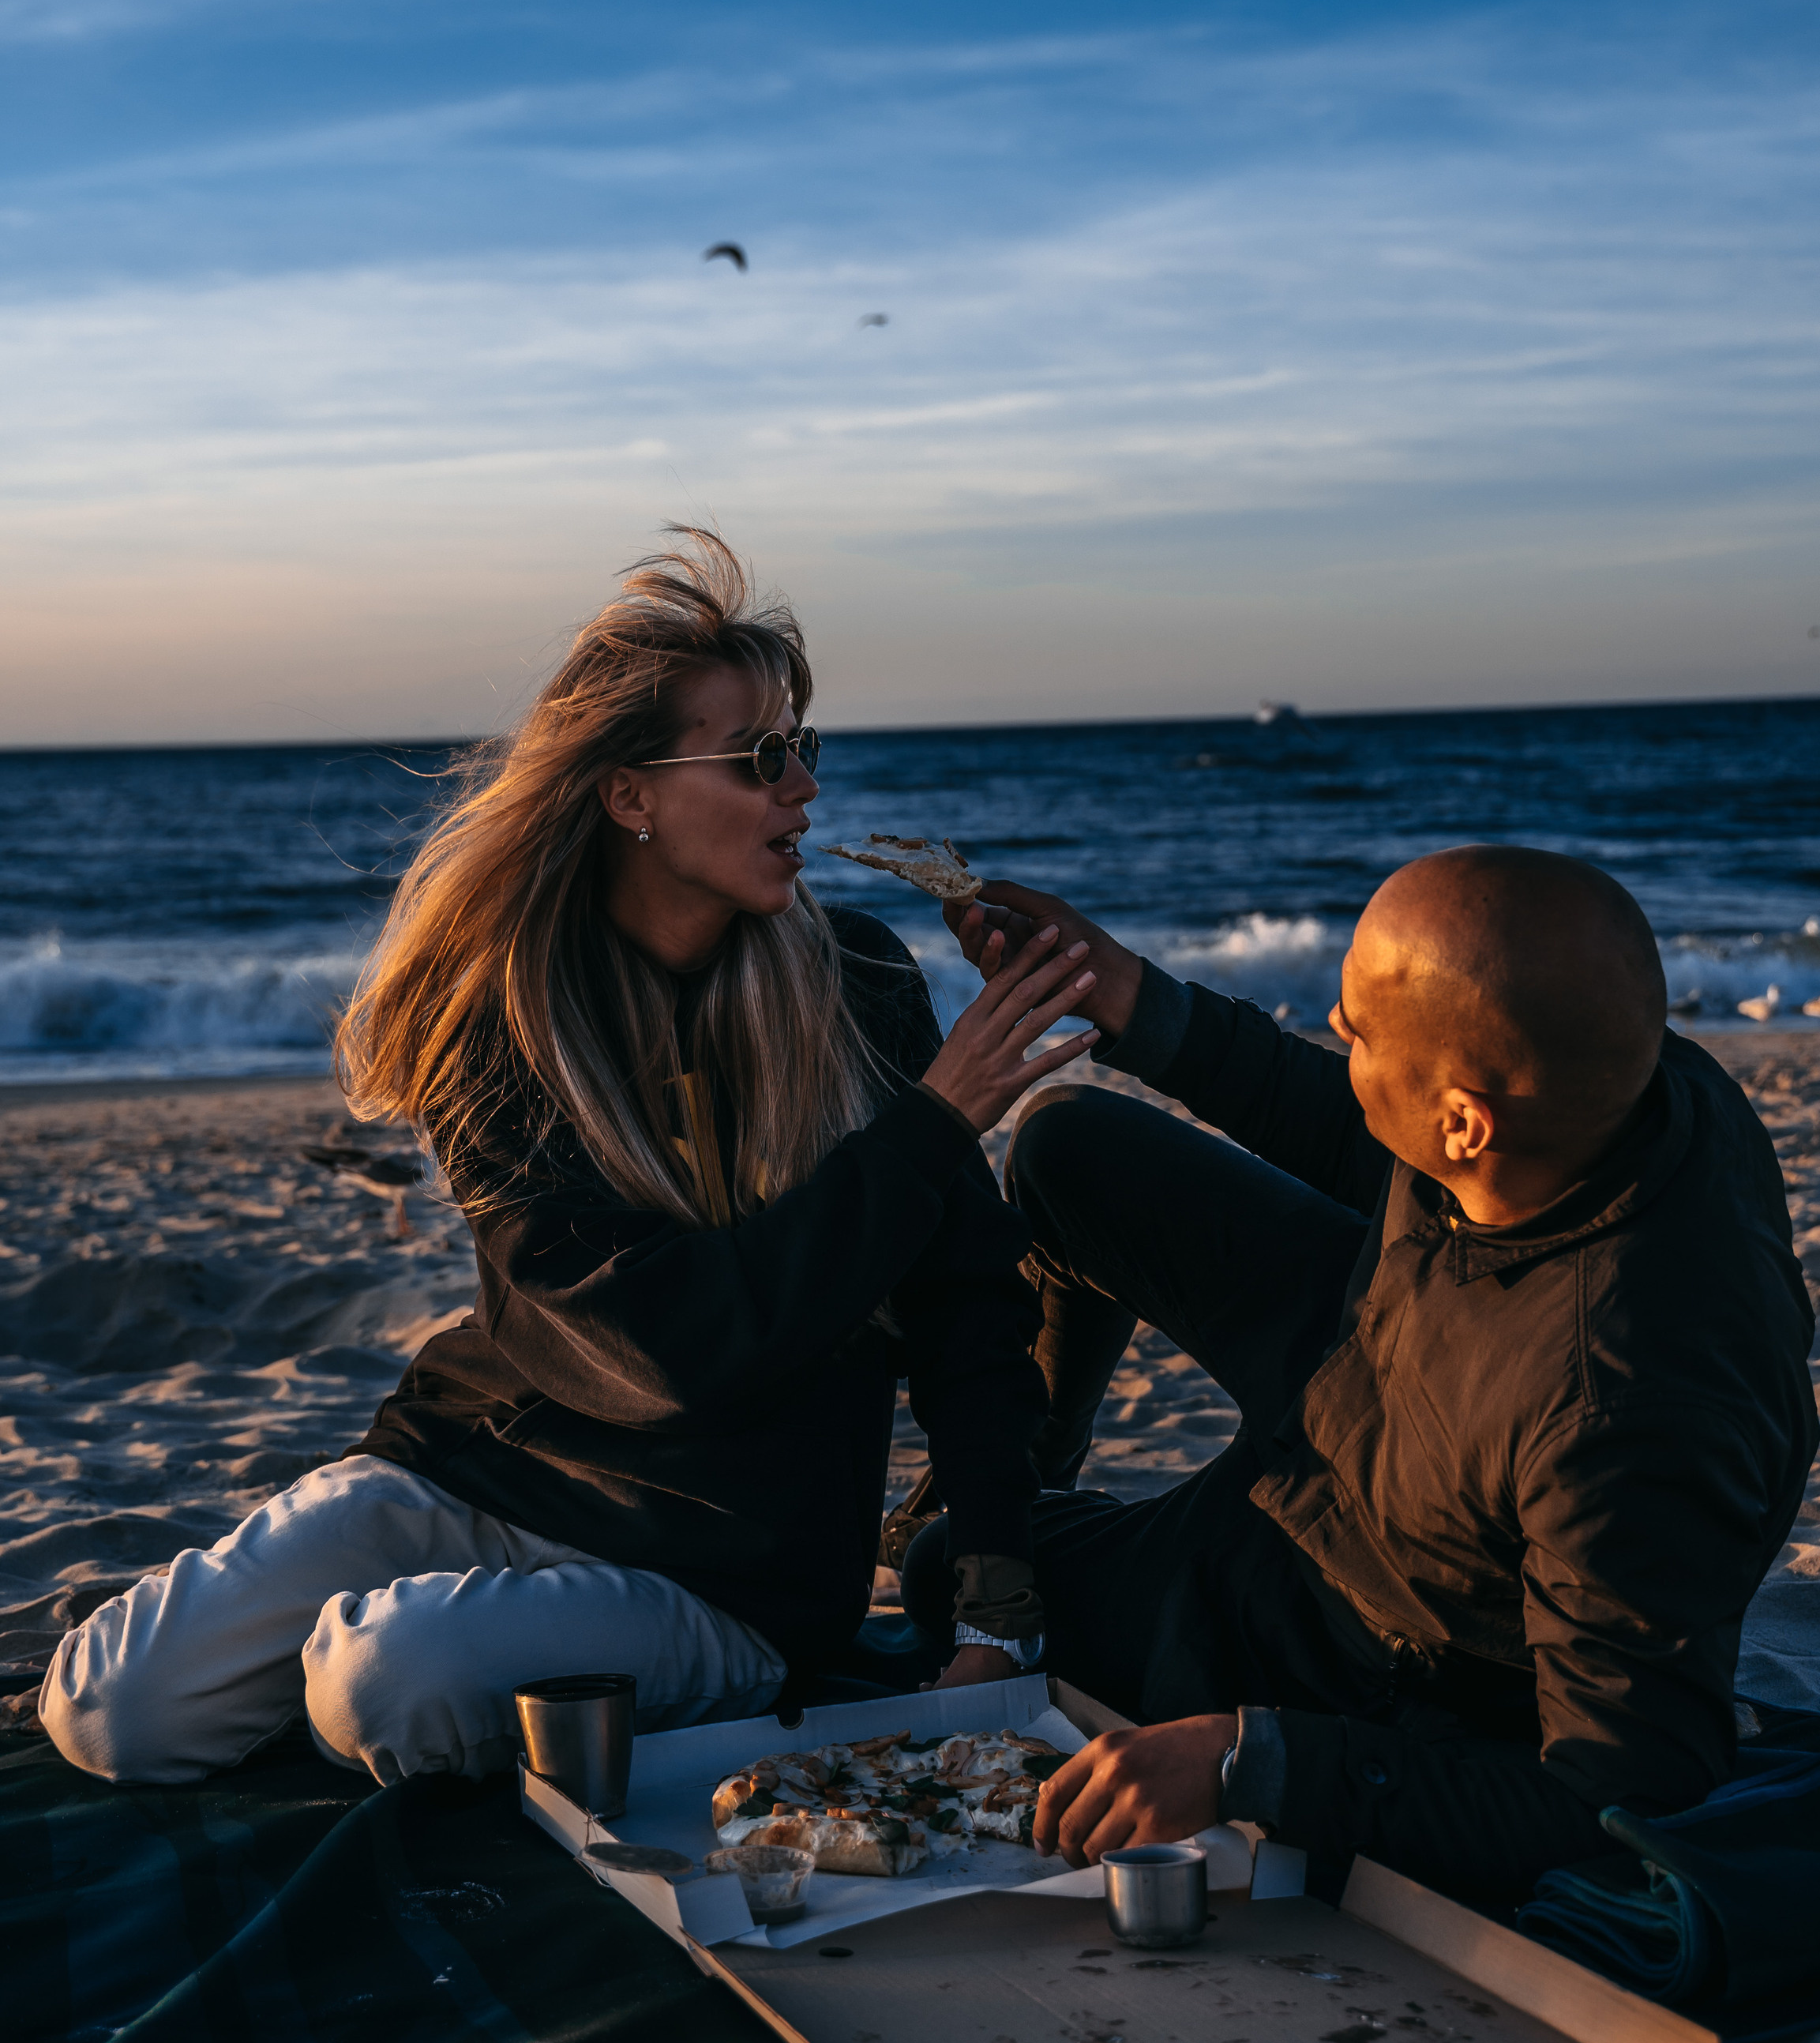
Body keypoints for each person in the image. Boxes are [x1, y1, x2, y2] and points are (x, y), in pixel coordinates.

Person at [42, 531, 1098, 1790]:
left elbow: (966, 1316)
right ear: (630, 796)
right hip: (475, 1470)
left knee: (385, 1682)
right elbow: (652, 1350)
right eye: (761, 758)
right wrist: (930, 1126)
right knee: (113, 1715)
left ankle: (437, 1661)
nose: (802, 789)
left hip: (722, 1565)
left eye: (802, 749)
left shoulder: (857, 983)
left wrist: (992, 1615)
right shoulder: (502, 1018)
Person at [910, 845, 1818, 1905]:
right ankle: (1023, 1508)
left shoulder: (1626, 1412)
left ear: (1464, 1123)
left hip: (1363, 1599)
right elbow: (1356, 1125)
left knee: (938, 1574)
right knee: (1069, 1147)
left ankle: (1030, 1558)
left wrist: (1250, 1760)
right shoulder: (1621, 1092)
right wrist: (1127, 997)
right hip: (1370, 1359)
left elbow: (1617, 1798)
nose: (1333, 1036)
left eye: (1355, 1030)